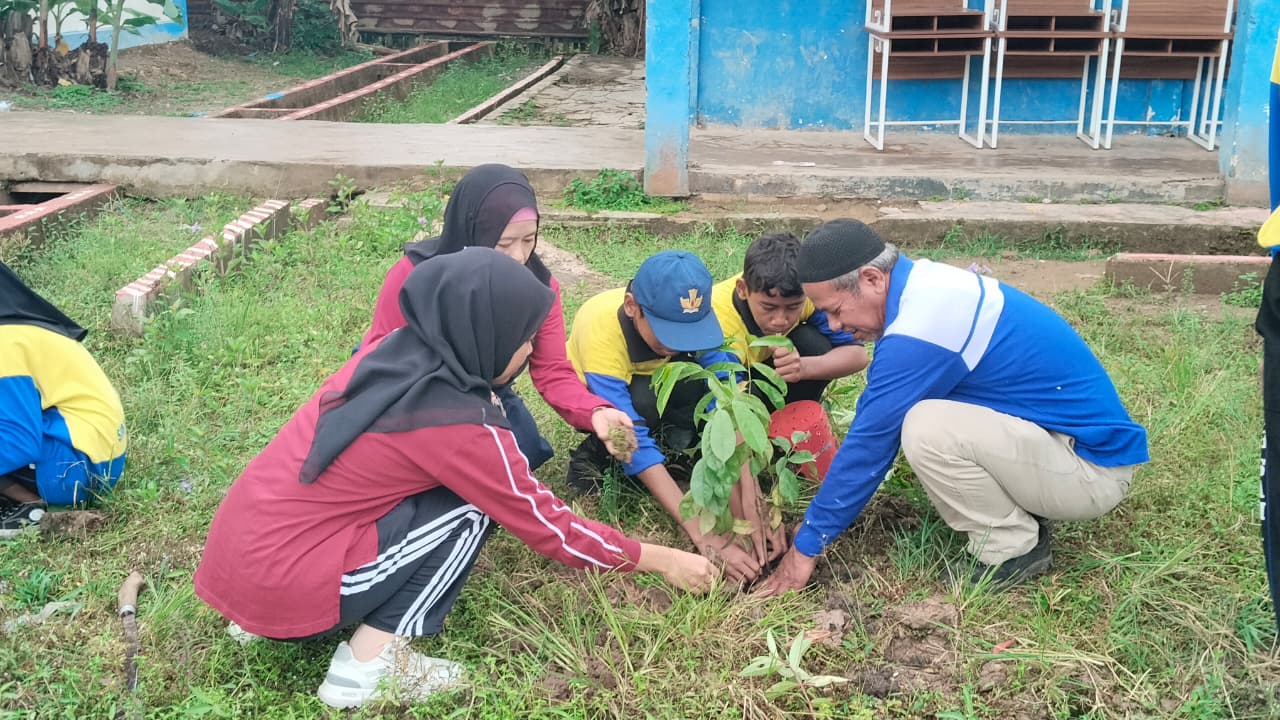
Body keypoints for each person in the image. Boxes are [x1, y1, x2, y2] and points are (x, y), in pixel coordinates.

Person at [194, 249, 716, 710]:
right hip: (286, 585)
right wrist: (664, 559)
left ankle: (263, 619)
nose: (532, 352)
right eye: (526, 338)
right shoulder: (458, 423)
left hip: (242, 565)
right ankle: (367, 666)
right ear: (489, 335)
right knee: (474, 506)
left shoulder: (396, 351)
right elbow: (548, 527)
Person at [759, 219, 1149, 596]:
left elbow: (870, 443)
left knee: (925, 426)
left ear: (872, 279)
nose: (834, 325)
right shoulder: (926, 284)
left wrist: (807, 546)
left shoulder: (923, 326)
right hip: (1057, 445)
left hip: (1091, 474)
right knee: (924, 409)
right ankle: (1020, 506)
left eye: (837, 310)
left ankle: (1010, 546)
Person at [362, 164, 634, 471]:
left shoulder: (540, 291)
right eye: (504, 244)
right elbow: (378, 357)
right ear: (472, 231)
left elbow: (552, 371)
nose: (519, 256)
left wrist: (595, 410)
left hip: (487, 391)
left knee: (521, 452)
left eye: (529, 240)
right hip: (413, 395)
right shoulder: (414, 277)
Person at [566, 250, 786, 582]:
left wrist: (748, 494)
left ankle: (674, 444)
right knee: (640, 404)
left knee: (704, 382)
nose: (682, 342)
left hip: (662, 382)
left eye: (691, 332)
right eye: (670, 333)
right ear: (632, 307)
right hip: (604, 405)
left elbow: (729, 395)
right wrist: (703, 534)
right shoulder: (601, 331)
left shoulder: (693, 318)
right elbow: (629, 438)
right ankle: (597, 456)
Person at [0, 262, 126, 538]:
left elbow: (19, 441)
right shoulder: (14, 324)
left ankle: (30, 507)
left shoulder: (4, 341)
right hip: (102, 455)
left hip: (78, 469)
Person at [710, 231, 868, 403]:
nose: (780, 320)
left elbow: (858, 355)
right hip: (722, 386)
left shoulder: (806, 295)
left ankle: (796, 413)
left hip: (767, 371)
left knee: (813, 344)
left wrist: (802, 368)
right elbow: (724, 401)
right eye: (768, 307)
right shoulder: (718, 326)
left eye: (793, 307)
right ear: (742, 289)